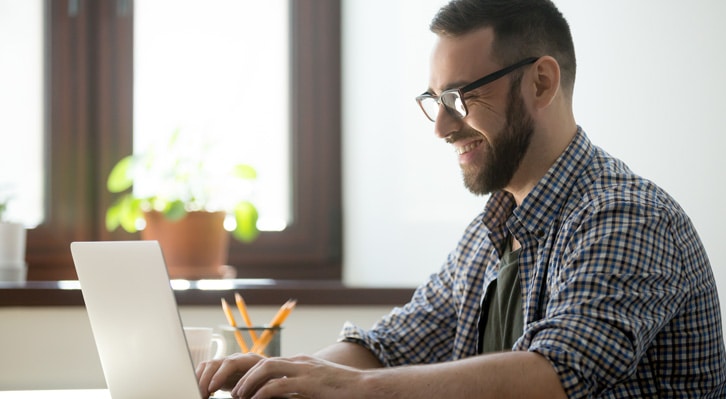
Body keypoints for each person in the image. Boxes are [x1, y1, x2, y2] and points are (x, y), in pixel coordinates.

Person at [197, 0, 726, 397]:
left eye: (460, 96)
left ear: (541, 83)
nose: (443, 126)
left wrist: (347, 388)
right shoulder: (491, 229)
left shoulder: (628, 216)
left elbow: (557, 370)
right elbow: (389, 347)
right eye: (435, 99)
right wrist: (287, 376)